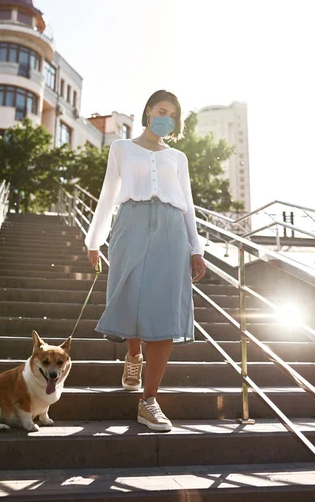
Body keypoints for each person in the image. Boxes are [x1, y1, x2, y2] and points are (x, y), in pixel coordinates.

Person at [84, 90, 206, 432]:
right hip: (130, 224)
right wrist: (95, 239)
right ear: (149, 111)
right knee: (129, 297)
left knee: (165, 310)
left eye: (174, 116)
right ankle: (134, 355)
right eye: (162, 110)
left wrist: (196, 249)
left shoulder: (178, 157)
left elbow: (188, 204)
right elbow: (109, 193)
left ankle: (149, 400)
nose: (167, 118)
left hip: (171, 229)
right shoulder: (121, 148)